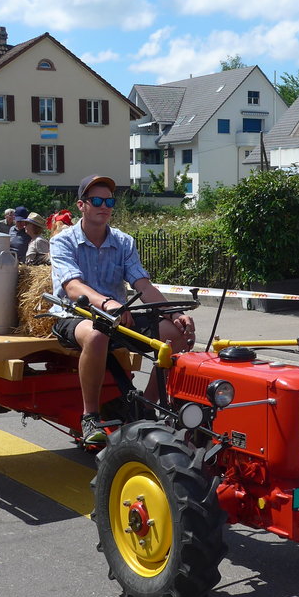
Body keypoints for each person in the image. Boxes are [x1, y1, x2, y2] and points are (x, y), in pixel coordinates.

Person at [50, 175, 196, 446]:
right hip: (74, 316)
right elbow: (72, 287)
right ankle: (90, 416)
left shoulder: (124, 241)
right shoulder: (63, 241)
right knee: (96, 335)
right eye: (96, 200)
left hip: (118, 318)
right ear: (82, 205)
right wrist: (108, 304)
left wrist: (173, 313)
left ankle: (145, 407)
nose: (104, 206)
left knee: (177, 333)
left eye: (109, 201)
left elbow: (142, 284)